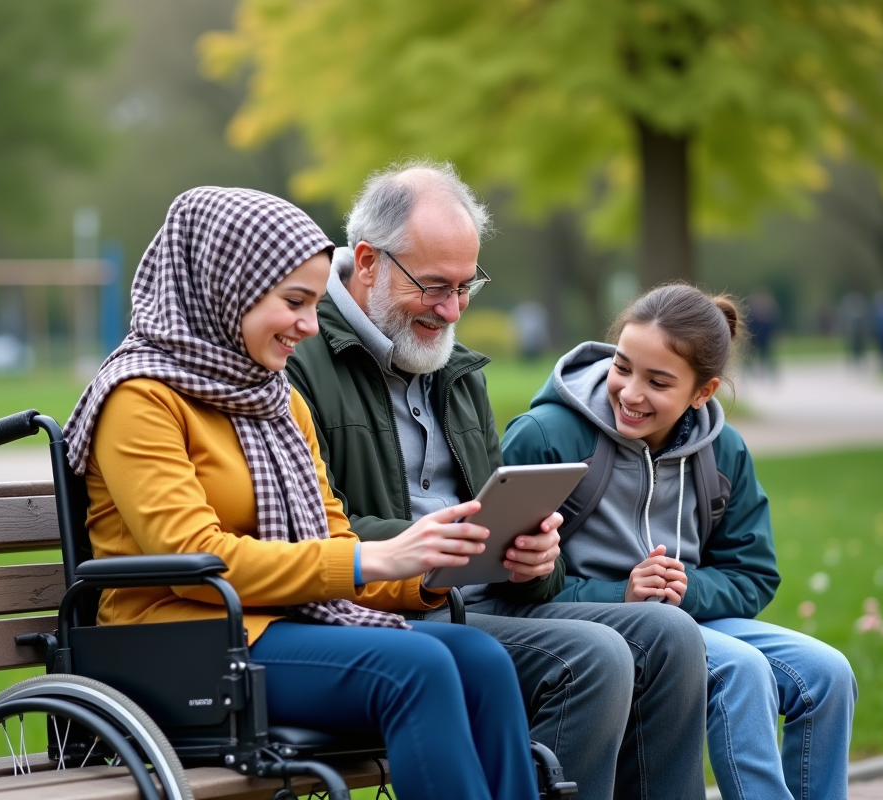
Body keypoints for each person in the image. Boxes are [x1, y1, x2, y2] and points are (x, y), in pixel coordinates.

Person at [62, 186, 542, 800]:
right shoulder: (140, 397)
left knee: (480, 660)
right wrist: (375, 557)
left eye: (315, 304)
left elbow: (330, 540)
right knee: (415, 670)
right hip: (178, 640)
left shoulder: (277, 400)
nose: (310, 326)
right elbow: (193, 561)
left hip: (283, 625)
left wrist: (429, 567)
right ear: (224, 286)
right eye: (294, 302)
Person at [286, 160, 708, 800]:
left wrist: (534, 556)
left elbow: (514, 543)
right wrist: (437, 541)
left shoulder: (454, 367)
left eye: (465, 286)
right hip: (387, 612)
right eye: (433, 286)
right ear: (368, 261)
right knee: (594, 659)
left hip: (483, 602)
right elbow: (307, 528)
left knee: (671, 634)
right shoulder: (301, 357)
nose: (452, 310)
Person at [502, 283, 858, 800]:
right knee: (743, 671)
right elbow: (508, 583)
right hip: (592, 623)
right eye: (622, 367)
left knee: (827, 674)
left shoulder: (722, 451)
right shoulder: (549, 435)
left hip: (688, 617)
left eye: (658, 382)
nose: (629, 392)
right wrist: (624, 594)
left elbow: (753, 574)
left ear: (702, 393)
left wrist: (682, 587)